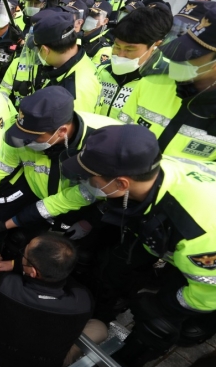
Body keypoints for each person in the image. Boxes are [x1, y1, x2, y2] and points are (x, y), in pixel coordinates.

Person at [61, 125, 216, 367]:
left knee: (157, 325)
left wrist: (166, 303)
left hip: (207, 273)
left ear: (122, 183)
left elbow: (209, 293)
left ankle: (125, 360)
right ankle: (100, 319)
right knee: (114, 267)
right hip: (165, 234)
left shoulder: (197, 231)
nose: (88, 181)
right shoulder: (150, 172)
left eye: (92, 177)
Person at [0, 87, 120, 234]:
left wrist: (12, 222)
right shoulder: (21, 128)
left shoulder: (104, 145)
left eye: (32, 138)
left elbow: (76, 197)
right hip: (38, 193)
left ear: (61, 131)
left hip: (85, 207)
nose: (24, 142)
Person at [0, 233, 106, 367]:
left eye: (24, 255)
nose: (21, 256)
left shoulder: (5, 285)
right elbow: (69, 282)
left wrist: (10, 264)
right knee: (99, 328)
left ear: (33, 272)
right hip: (44, 363)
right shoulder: (83, 300)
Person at [120, 8, 216, 162]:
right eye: (181, 48)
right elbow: (120, 135)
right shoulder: (151, 84)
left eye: (191, 56)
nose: (177, 59)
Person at [3, 11, 101, 113]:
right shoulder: (75, 61)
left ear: (45, 50)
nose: (37, 54)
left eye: (37, 50)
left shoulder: (76, 90)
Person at [96, 6, 171, 119]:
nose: (120, 55)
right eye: (116, 46)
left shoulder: (164, 84)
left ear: (156, 45)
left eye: (129, 50)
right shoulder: (102, 71)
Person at [81, 1, 113, 65]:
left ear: (105, 21)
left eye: (95, 15)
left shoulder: (103, 49)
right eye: (89, 13)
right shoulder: (78, 34)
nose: (89, 17)